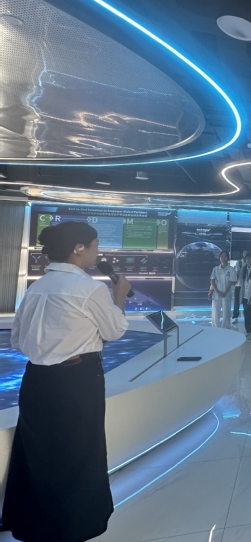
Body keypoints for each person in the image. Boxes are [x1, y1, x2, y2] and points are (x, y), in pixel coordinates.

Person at [3, 221, 131, 542]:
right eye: (95, 245)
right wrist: (119, 296)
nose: (97, 252)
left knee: (36, 451)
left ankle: (30, 522)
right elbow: (115, 330)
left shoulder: (36, 287)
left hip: (35, 380)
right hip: (77, 381)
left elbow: (17, 340)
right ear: (79, 248)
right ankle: (73, 526)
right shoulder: (89, 288)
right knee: (79, 452)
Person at [210, 250, 236, 329]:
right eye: (222, 256)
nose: (223, 258)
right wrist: (218, 291)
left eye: (225, 256)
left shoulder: (231, 269)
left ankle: (226, 328)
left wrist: (225, 292)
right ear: (219, 258)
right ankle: (215, 328)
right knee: (215, 313)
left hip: (226, 294)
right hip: (216, 294)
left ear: (228, 258)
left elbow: (231, 282)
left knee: (226, 313)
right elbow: (212, 281)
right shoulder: (216, 269)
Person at [231, 249, 250, 324]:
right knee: (237, 302)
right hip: (239, 285)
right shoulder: (239, 262)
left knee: (246, 302)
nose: (245, 254)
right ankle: (235, 317)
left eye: (247, 253)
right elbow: (238, 272)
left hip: (248, 286)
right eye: (244, 253)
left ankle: (247, 316)